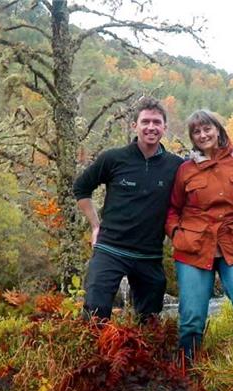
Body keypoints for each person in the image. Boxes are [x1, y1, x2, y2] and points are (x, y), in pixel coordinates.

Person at [165, 110, 233, 363]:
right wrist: (177, 234)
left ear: (218, 129)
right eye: (196, 132)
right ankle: (186, 368)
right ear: (192, 137)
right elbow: (173, 209)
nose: (203, 135)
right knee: (192, 315)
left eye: (207, 129)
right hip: (193, 247)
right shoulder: (185, 170)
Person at [73, 96, 183, 321]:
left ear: (165, 127)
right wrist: (95, 225)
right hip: (110, 249)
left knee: (149, 319)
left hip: (149, 254)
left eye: (156, 122)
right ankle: (94, 356)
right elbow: (81, 188)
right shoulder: (113, 159)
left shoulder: (176, 166)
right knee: (95, 312)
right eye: (145, 122)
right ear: (135, 125)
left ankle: (139, 356)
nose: (151, 127)